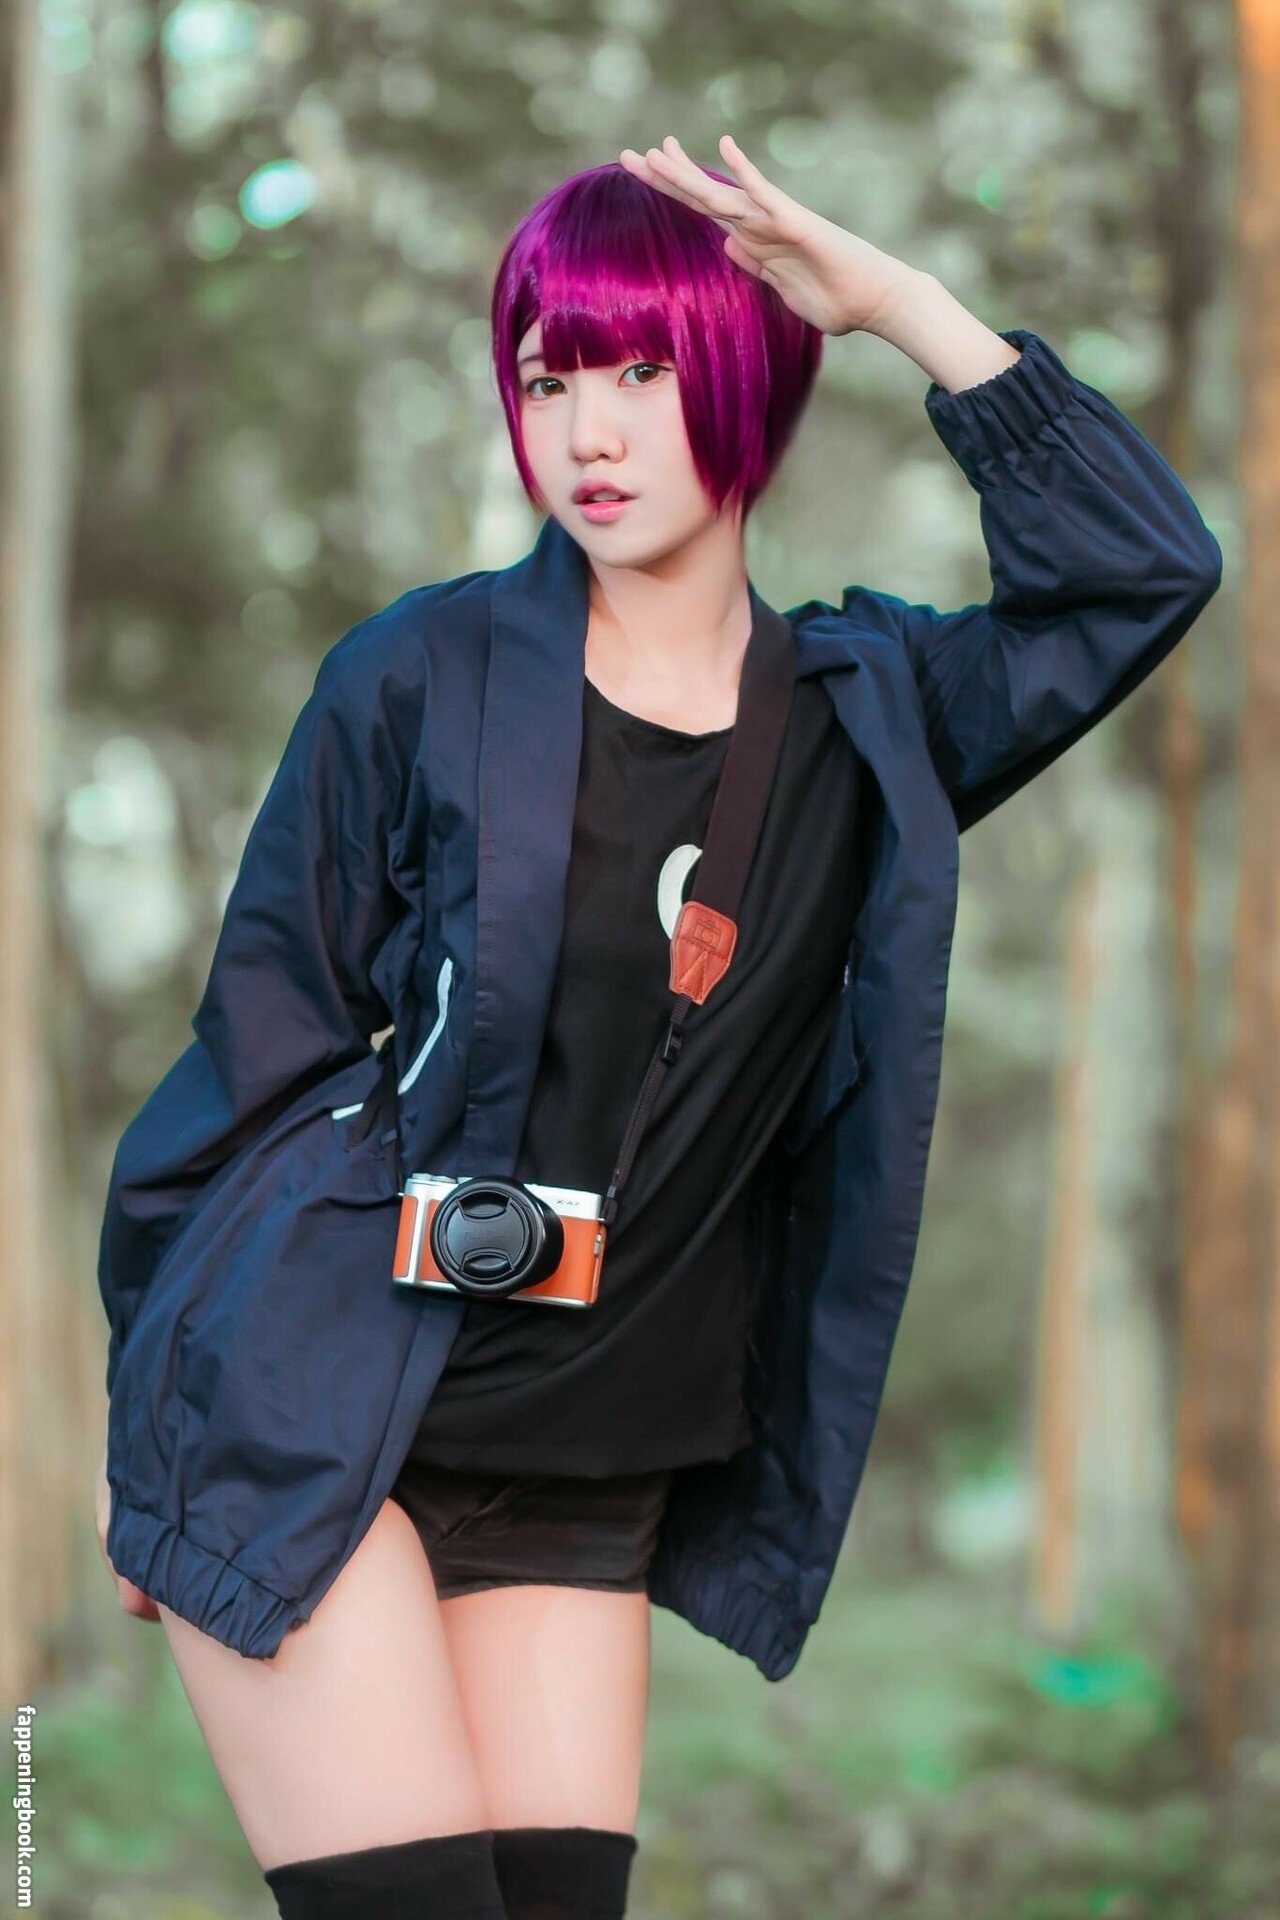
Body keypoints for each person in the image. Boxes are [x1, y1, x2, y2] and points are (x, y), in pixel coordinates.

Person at [94, 134, 1222, 1918]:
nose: (589, 431)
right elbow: (257, 1057)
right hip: (315, 1415)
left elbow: (1142, 571)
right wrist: (145, 1420)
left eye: (641, 371)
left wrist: (902, 306)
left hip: (585, 1462)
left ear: (748, 375)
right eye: (549, 378)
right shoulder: (418, 675)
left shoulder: (876, 718)